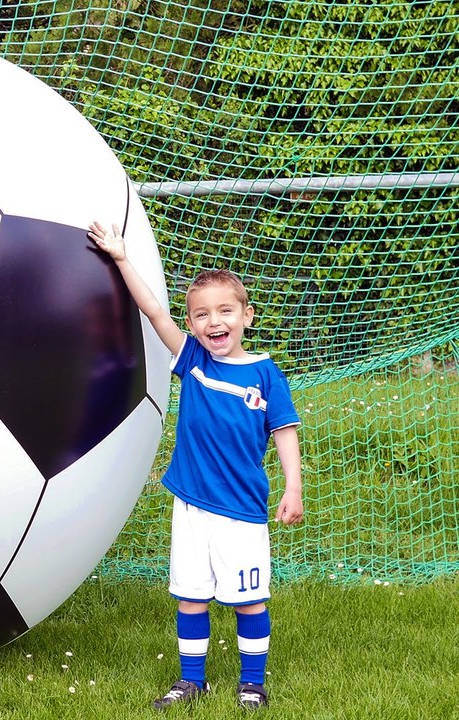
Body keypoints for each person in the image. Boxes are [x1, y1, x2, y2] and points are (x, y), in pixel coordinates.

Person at [86, 221, 303, 711]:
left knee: (249, 599)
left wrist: (294, 488)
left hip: (243, 510)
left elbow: (285, 432)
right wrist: (121, 258)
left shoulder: (266, 374)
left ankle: (252, 683)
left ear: (247, 315)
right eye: (201, 314)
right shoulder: (194, 361)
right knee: (191, 595)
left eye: (225, 311)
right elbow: (154, 312)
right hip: (191, 505)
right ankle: (191, 681)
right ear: (193, 323)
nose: (213, 322)